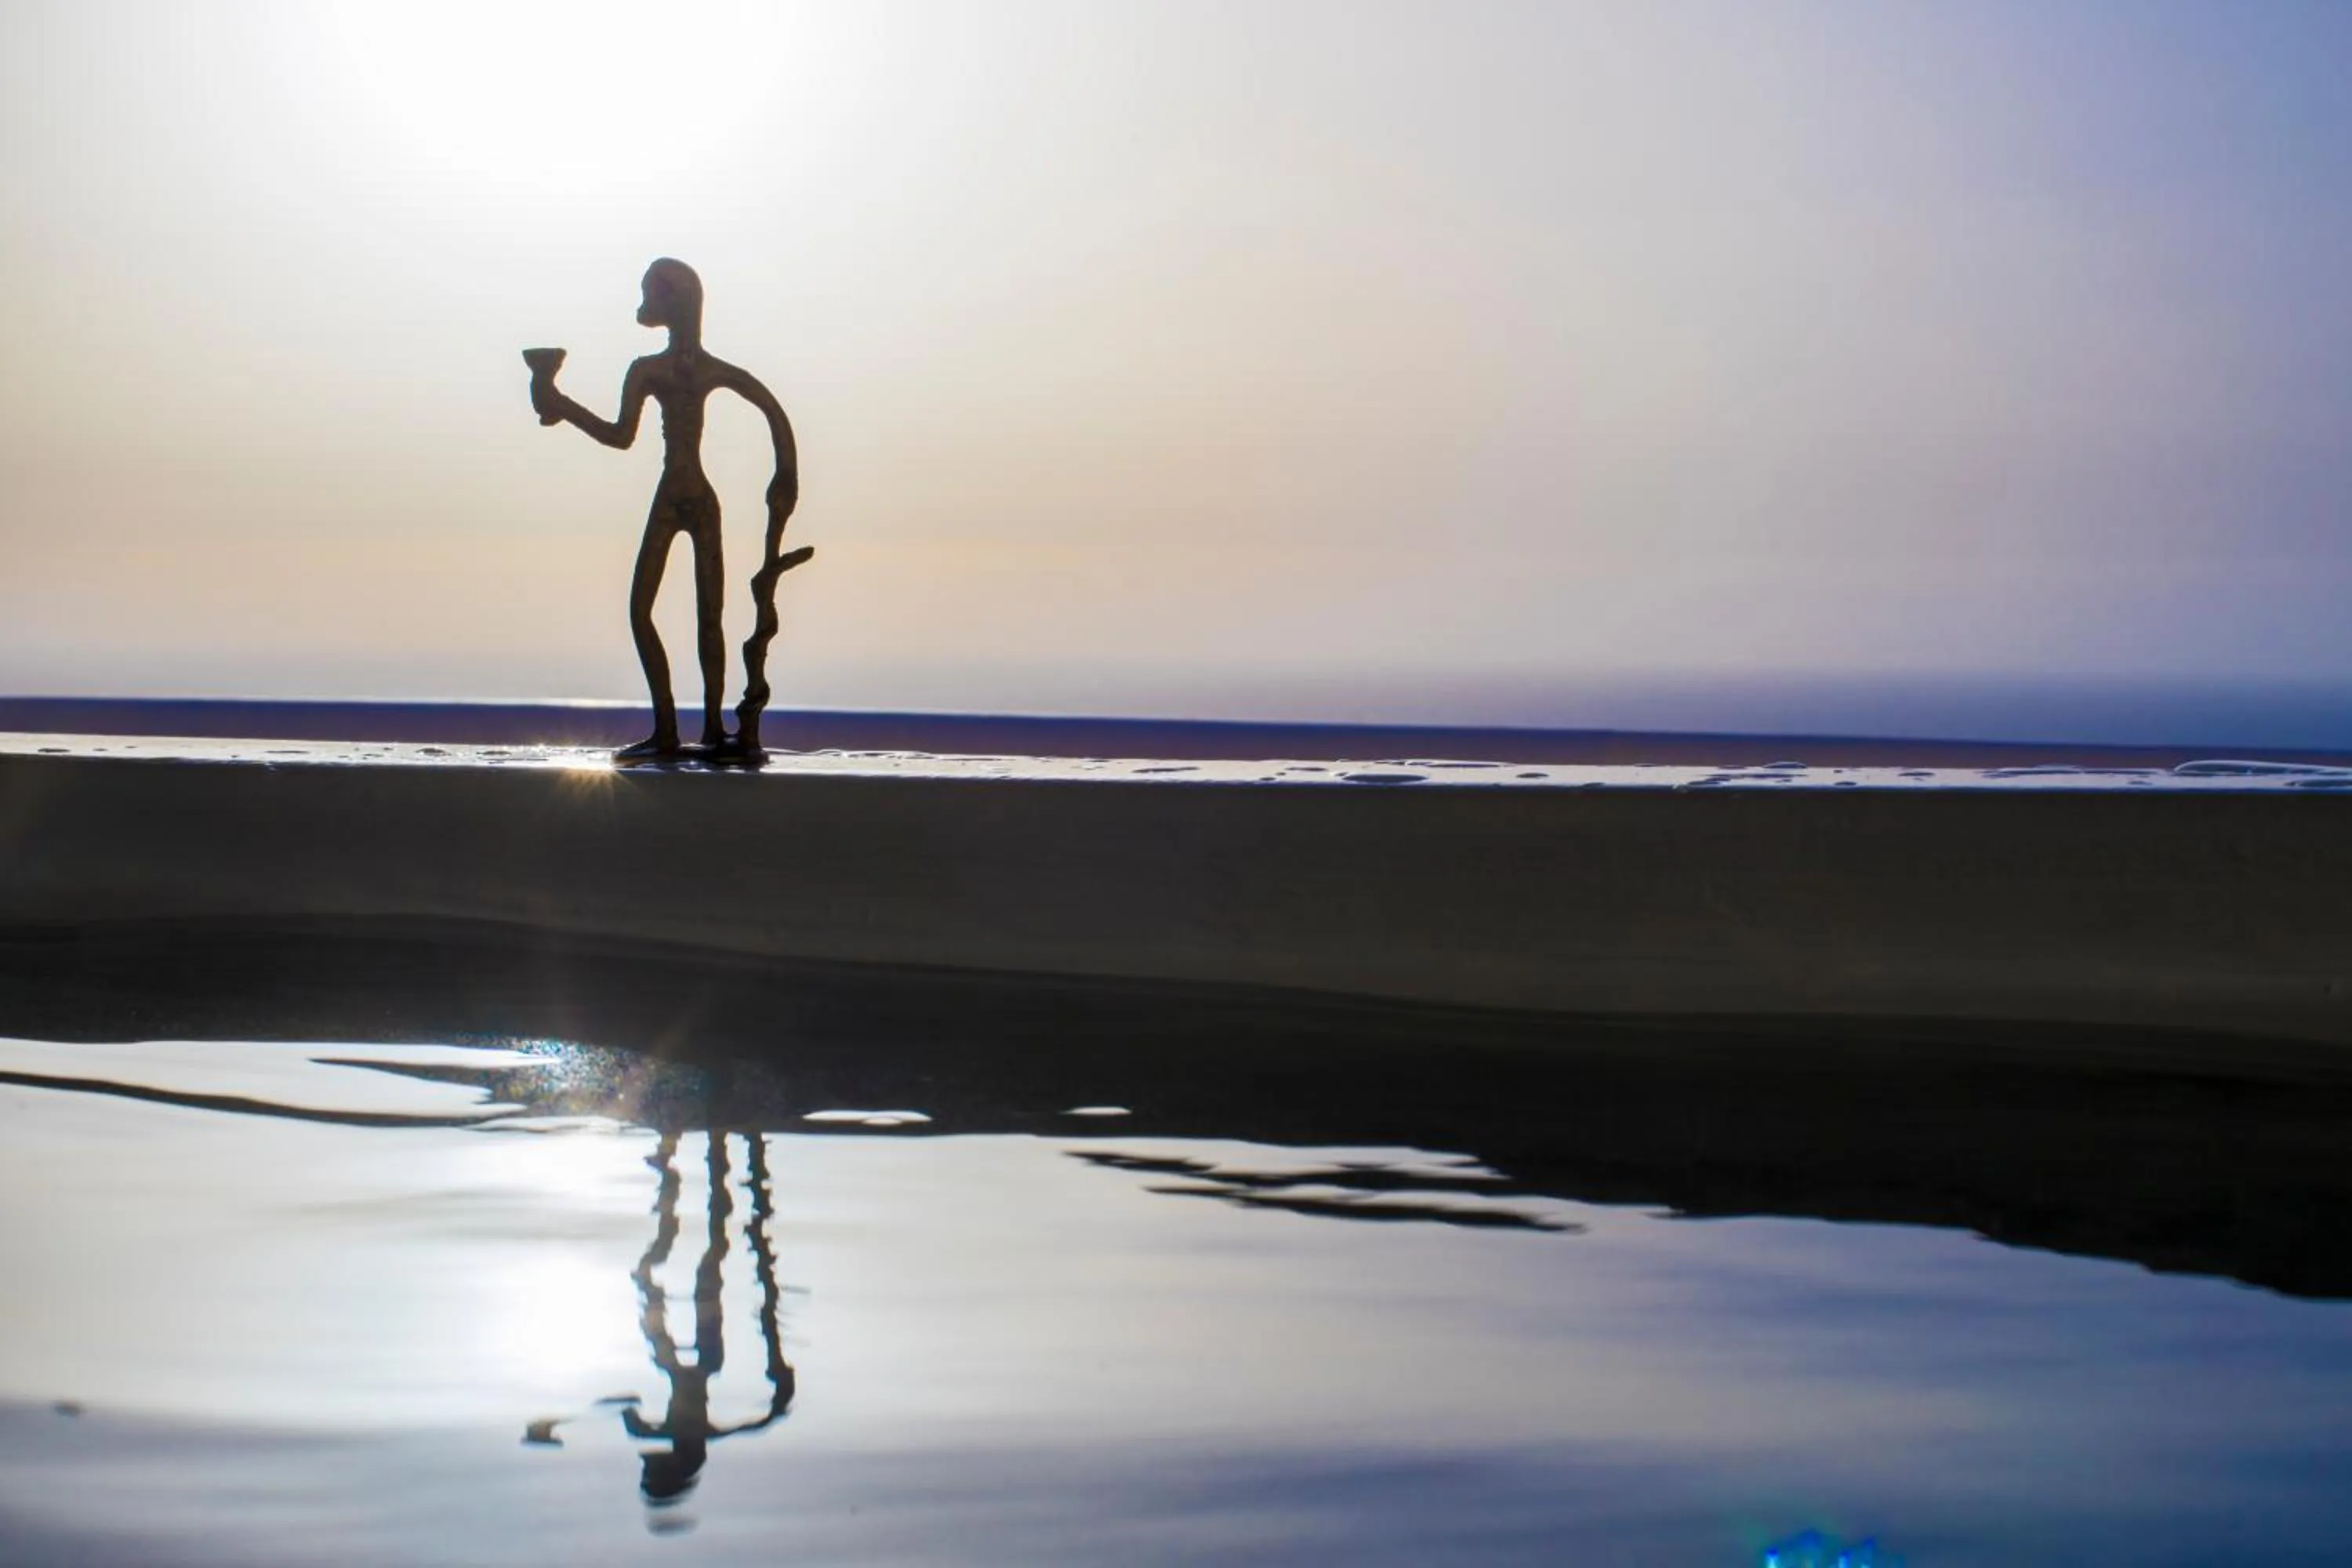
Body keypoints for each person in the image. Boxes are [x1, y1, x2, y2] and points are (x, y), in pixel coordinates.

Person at [530, 259, 809, 764]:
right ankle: (677, 729)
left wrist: (785, 474)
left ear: (673, 301)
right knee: (659, 613)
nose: (642, 307)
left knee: (702, 617)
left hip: (687, 495)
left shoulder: (666, 370)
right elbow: (767, 409)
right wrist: (562, 405)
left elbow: (766, 406)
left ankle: (704, 730)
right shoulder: (662, 370)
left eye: (648, 295)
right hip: (687, 495)